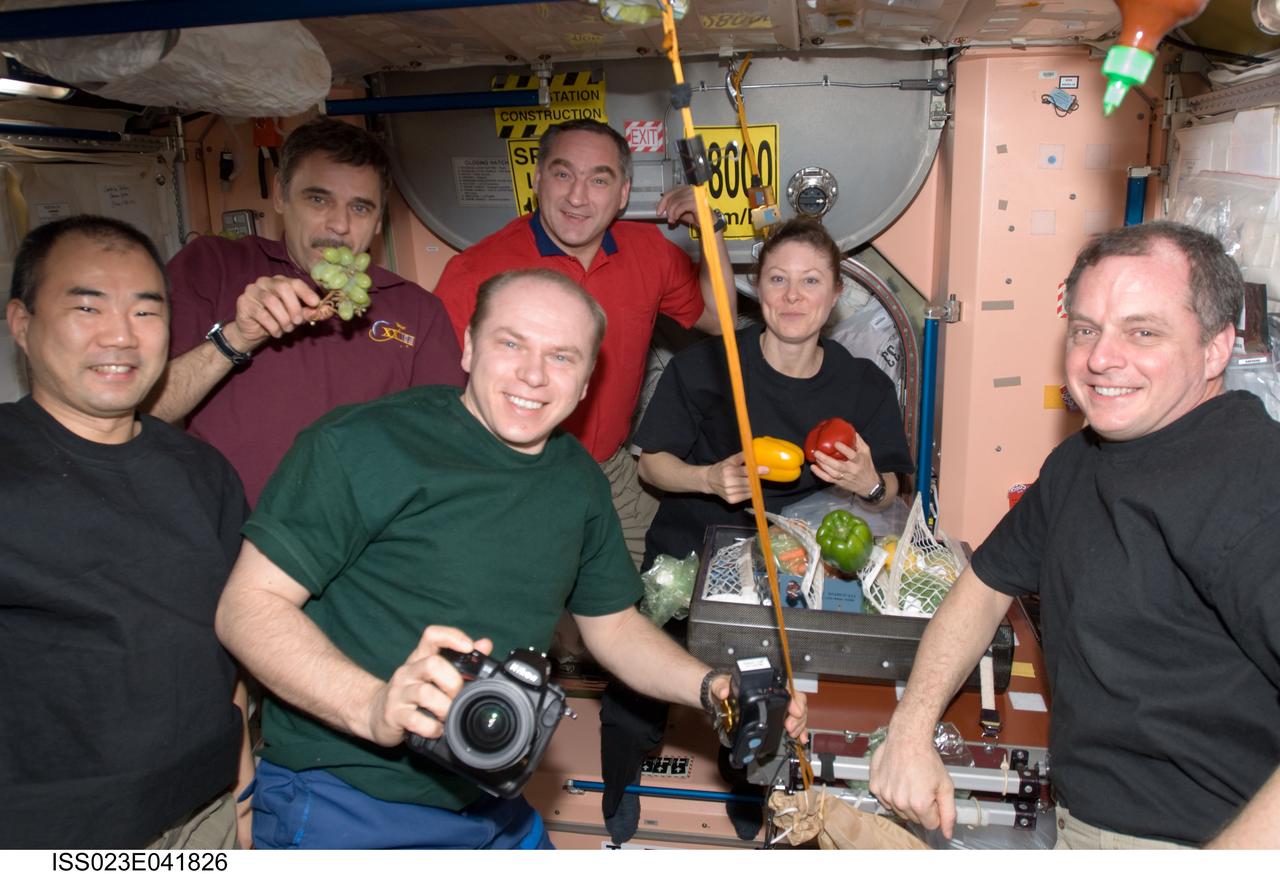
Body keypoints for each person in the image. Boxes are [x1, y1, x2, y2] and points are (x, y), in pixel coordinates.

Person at [213, 268, 807, 850]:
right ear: (469, 348)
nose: (533, 375)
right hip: (349, 798)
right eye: (511, 343)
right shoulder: (359, 445)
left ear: (585, 383)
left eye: (562, 357)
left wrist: (713, 688)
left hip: (489, 794)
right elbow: (247, 606)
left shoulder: (578, 480)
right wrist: (370, 706)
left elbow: (615, 626)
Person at [869, 220, 1280, 849]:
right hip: (1081, 823)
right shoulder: (1083, 458)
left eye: (1143, 332)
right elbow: (984, 583)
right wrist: (909, 729)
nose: (1099, 358)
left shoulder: (1255, 481)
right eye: (1085, 329)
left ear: (1217, 348)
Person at [598, 217, 914, 843]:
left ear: (832, 298)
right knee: (640, 674)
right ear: (756, 288)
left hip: (789, 561)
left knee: (761, 683)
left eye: (810, 281)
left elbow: (895, 484)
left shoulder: (862, 385)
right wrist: (710, 480)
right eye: (777, 279)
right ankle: (619, 780)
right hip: (691, 546)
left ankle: (747, 786)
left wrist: (868, 484)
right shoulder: (708, 367)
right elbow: (654, 462)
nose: (793, 296)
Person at [0, 216, 252, 849]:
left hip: (204, 815)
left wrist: (242, 777)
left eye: (146, 312)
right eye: (87, 307)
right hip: (52, 831)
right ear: (22, 324)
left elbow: (233, 629)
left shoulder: (203, 471)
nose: (120, 336)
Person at [432, 118, 735, 565]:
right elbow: (439, 404)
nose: (577, 196)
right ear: (537, 180)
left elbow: (720, 318)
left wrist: (713, 232)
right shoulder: (475, 270)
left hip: (610, 468)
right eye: (562, 174)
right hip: (513, 475)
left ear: (623, 193)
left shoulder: (648, 251)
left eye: (599, 179)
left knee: (649, 586)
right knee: (538, 615)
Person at [148, 116, 465, 505]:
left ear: (379, 219)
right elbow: (145, 411)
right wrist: (236, 337)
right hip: (226, 539)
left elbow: (447, 448)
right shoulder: (213, 266)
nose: (339, 225)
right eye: (318, 199)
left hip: (363, 550)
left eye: (361, 208)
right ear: (280, 194)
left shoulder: (418, 311)